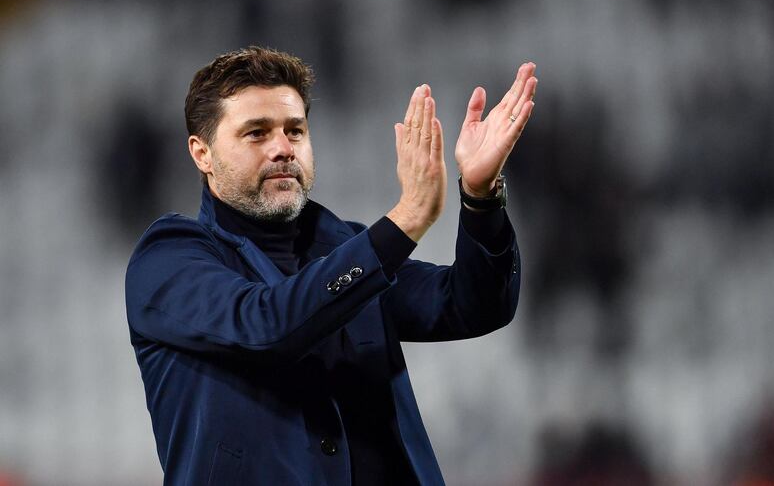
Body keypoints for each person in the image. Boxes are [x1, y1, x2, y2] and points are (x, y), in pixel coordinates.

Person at [125, 46, 537, 485]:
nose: (283, 148)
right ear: (202, 154)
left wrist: (480, 196)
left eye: (295, 131)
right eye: (257, 133)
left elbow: (471, 305)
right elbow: (267, 326)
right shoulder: (169, 259)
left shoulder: (345, 246)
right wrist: (408, 218)